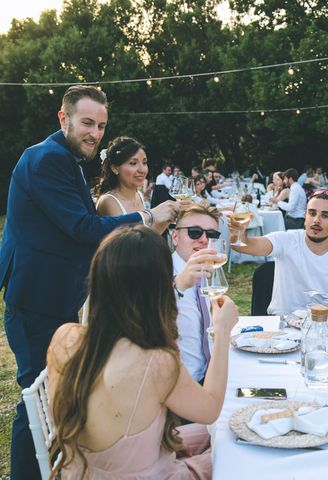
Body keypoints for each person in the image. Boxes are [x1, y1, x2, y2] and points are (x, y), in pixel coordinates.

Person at [0, 85, 178, 479]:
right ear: (62, 118)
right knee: (37, 400)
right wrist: (147, 219)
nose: (94, 133)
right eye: (87, 123)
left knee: (57, 396)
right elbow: (83, 228)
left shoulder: (66, 160)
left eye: (100, 125)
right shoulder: (46, 159)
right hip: (35, 297)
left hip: (57, 295)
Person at [47, 225, 238, 478]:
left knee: (230, 429)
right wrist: (222, 331)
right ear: (157, 288)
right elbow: (211, 409)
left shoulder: (65, 338)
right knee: (240, 454)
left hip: (85, 471)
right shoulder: (155, 361)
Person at [229, 190, 328, 314]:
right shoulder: (286, 240)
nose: (316, 220)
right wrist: (238, 235)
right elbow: (245, 246)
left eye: (325, 216)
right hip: (281, 326)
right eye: (312, 213)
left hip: (321, 326)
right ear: (305, 216)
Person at [171, 205, 226, 382]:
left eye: (211, 235)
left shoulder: (207, 274)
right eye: (195, 232)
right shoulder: (158, 271)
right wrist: (177, 286)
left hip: (206, 375)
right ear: (175, 237)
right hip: (176, 384)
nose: (204, 240)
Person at [96, 136, 167, 233]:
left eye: (144, 162)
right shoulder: (108, 202)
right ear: (115, 168)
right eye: (133, 163)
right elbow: (130, 245)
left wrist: (168, 217)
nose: (142, 170)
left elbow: (147, 238)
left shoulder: (139, 196)